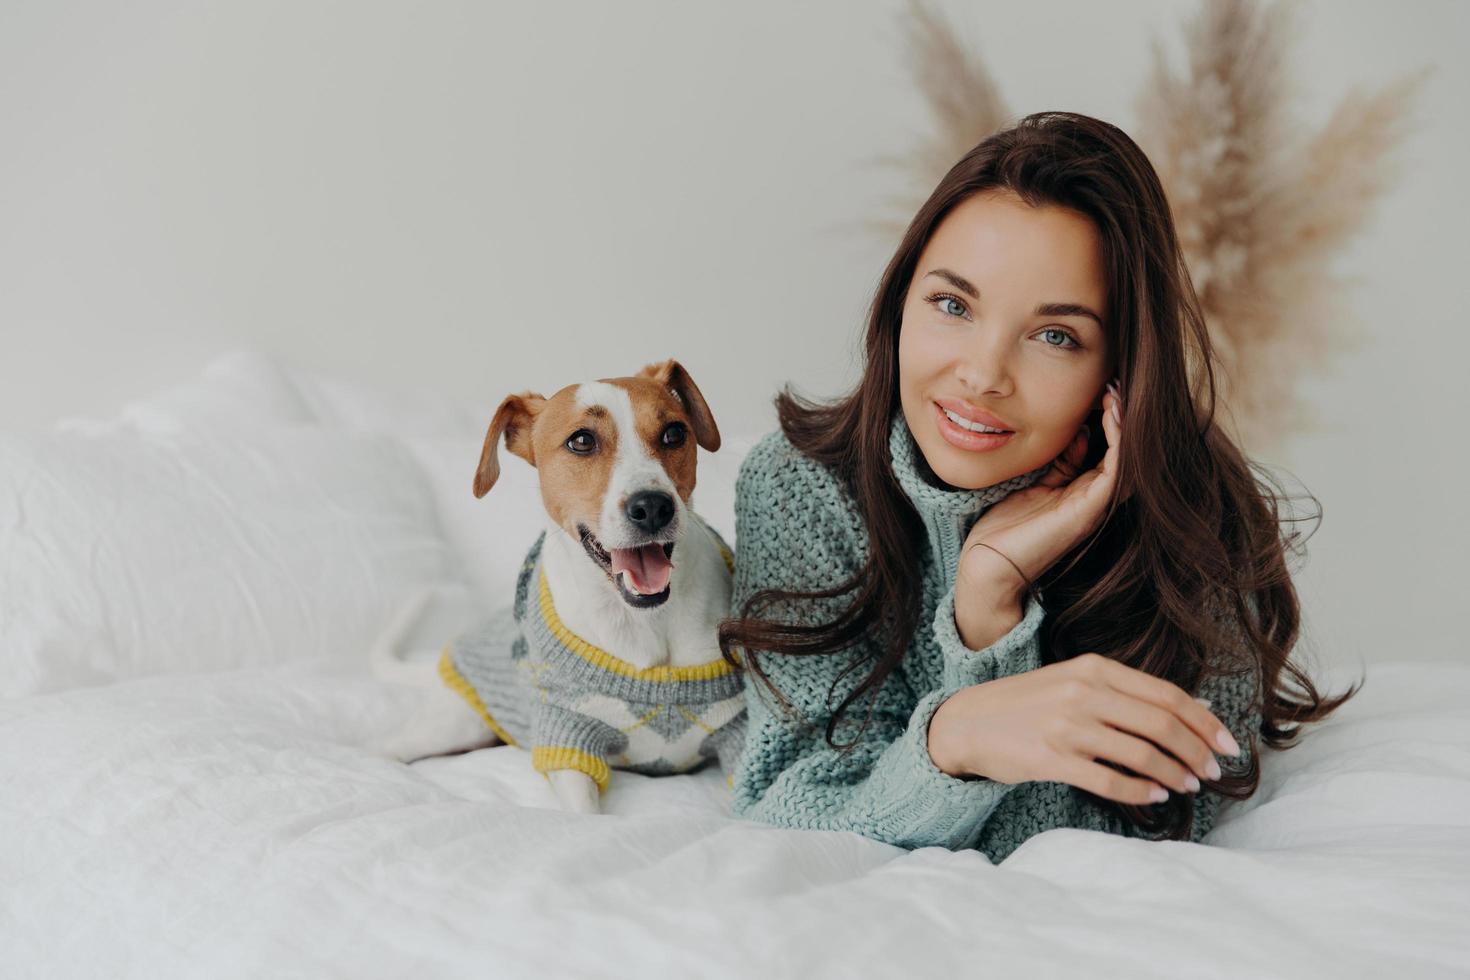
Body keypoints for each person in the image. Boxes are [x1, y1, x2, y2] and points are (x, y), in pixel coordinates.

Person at [715, 111, 1362, 862]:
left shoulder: (1195, 522)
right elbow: (787, 810)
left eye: (1055, 336)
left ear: (1119, 368)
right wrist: (957, 731)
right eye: (952, 305)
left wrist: (990, 607)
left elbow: (1091, 858)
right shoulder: (803, 489)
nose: (983, 374)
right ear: (899, 304)